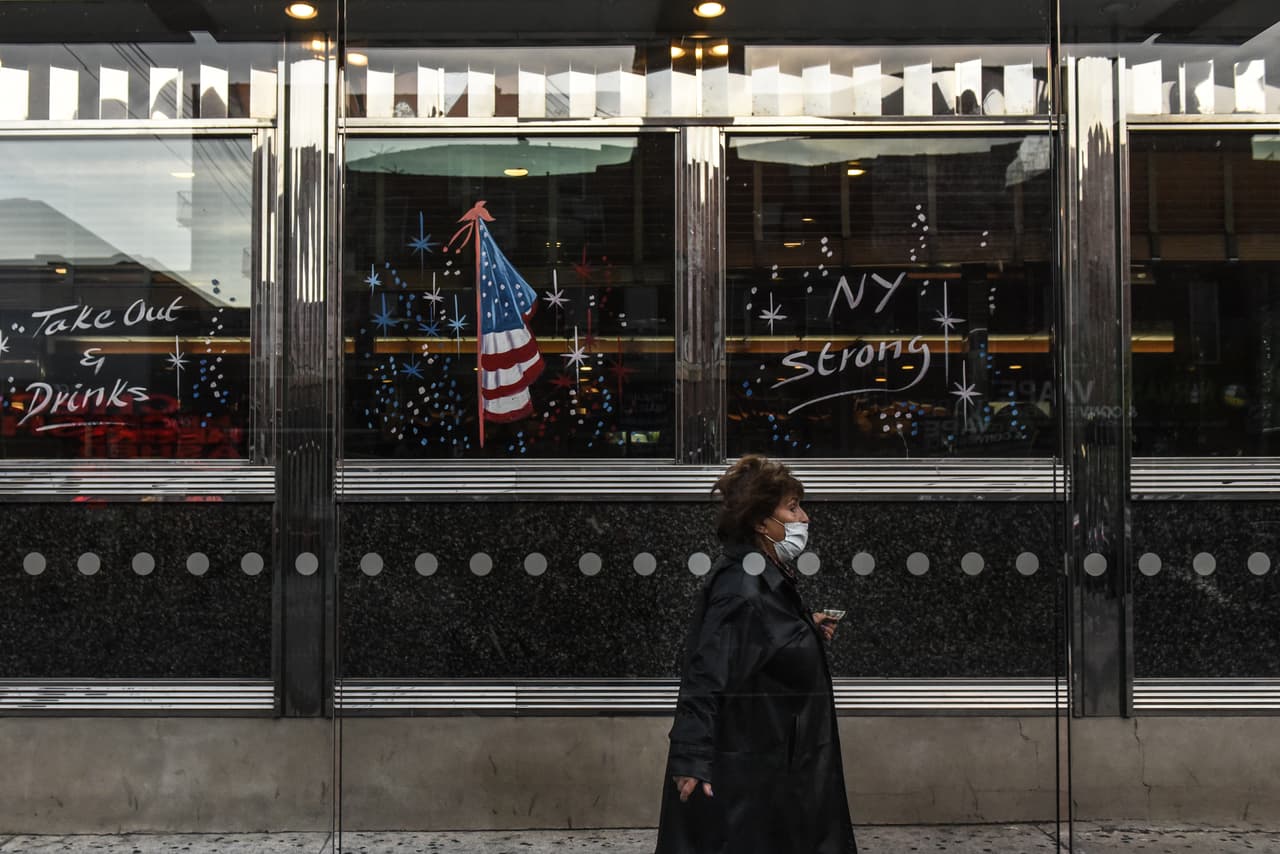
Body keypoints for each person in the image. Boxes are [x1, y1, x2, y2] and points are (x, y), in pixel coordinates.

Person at [654, 454, 857, 854]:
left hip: (772, 764)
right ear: (762, 521)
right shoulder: (742, 586)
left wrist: (804, 629)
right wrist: (692, 757)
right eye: (793, 507)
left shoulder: (762, 576)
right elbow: (706, 671)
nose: (805, 519)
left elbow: (761, 639)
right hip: (750, 772)